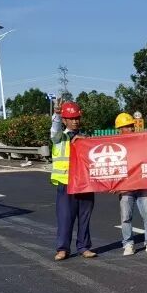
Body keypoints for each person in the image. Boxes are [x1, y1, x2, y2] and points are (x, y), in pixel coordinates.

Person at [114, 98, 147, 255]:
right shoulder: (114, 145)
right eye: (126, 126)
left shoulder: (140, 139)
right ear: (119, 129)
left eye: (131, 126)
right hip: (125, 186)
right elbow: (110, 166)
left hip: (143, 183)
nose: (130, 128)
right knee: (125, 218)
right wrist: (113, 184)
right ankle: (128, 244)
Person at [50, 100, 96, 260]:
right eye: (71, 118)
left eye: (77, 118)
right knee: (65, 218)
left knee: (84, 218)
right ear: (64, 120)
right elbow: (54, 130)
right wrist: (56, 115)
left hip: (85, 183)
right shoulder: (59, 137)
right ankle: (63, 249)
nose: (75, 121)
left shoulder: (86, 138)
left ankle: (84, 247)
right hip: (66, 183)